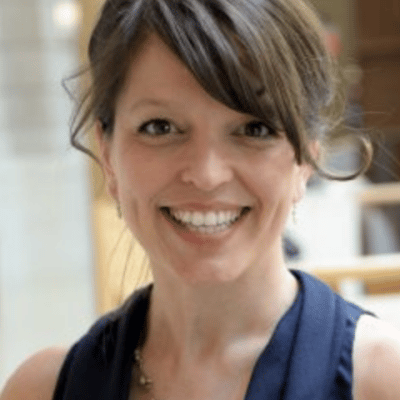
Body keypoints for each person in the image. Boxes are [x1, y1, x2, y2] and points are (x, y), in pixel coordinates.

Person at [2, 0, 400, 399]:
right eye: (160, 127)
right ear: (108, 155)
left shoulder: (381, 379)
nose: (208, 175)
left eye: (254, 128)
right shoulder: (43, 389)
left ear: (306, 157)